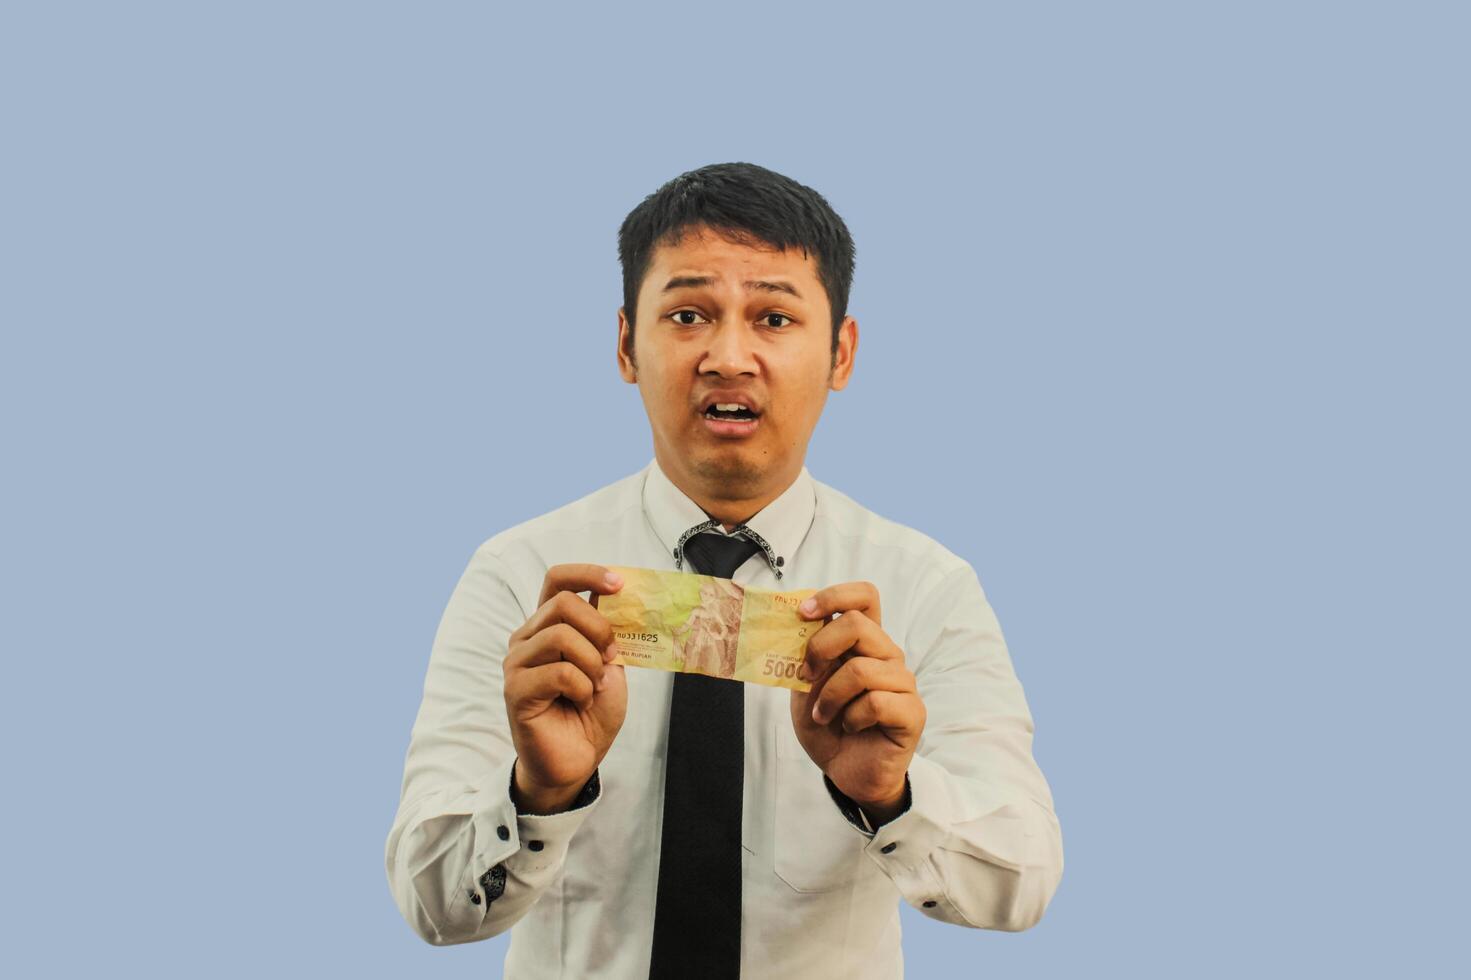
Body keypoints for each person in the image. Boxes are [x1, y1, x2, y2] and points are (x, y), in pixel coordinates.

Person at [384, 162, 1064, 979]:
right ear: (626, 345)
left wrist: (889, 794)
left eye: (774, 317)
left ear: (840, 353)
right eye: (686, 314)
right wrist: (537, 793)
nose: (728, 355)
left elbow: (1021, 885)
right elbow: (432, 909)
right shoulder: (521, 577)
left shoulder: (925, 587)